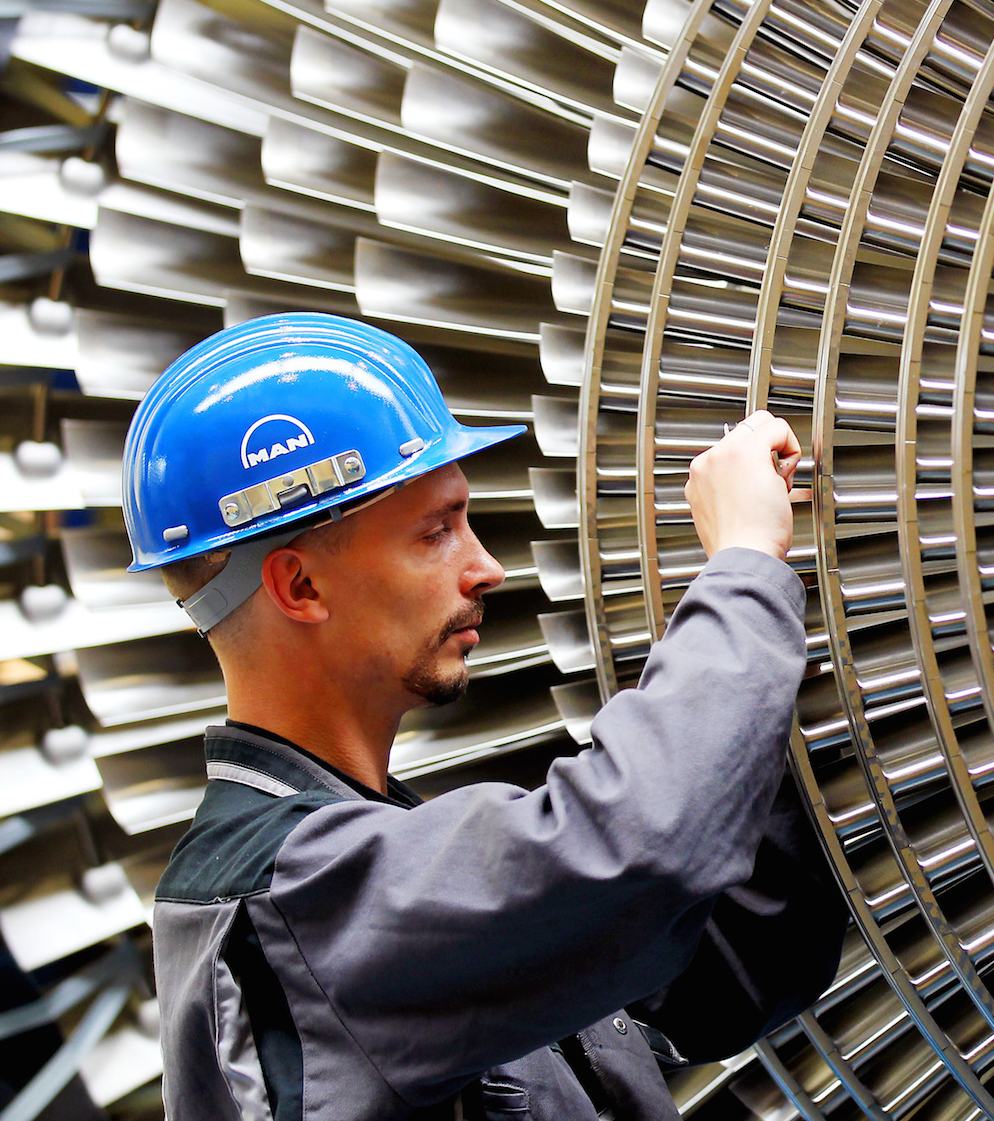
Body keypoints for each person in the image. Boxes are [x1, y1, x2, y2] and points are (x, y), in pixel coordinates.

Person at [127, 313, 846, 1121]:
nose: (487, 566)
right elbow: (636, 848)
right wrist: (743, 563)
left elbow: (734, 970)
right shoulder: (295, 898)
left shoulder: (371, 867)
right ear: (300, 588)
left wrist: (760, 684)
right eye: (436, 531)